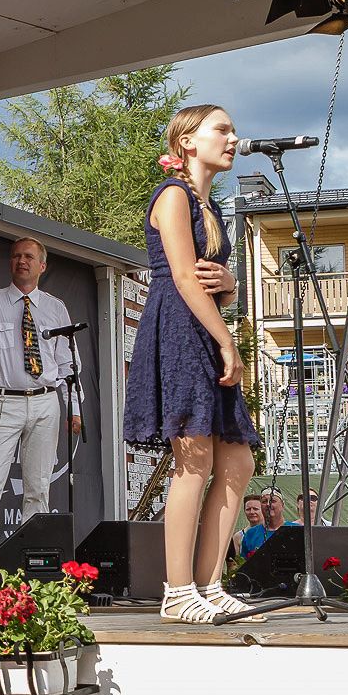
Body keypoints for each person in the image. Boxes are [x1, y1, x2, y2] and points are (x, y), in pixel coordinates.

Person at [123, 105, 261, 624]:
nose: (232, 138)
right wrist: (229, 344)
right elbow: (182, 278)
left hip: (201, 330)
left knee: (238, 460)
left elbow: (210, 284)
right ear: (187, 141)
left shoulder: (210, 207)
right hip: (181, 335)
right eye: (222, 130)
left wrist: (232, 287)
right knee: (193, 458)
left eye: (232, 129)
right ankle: (178, 591)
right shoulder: (174, 196)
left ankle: (209, 582)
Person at [0, 237, 82, 555]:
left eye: (28, 256)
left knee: (38, 488)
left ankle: (34, 563)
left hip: (45, 401)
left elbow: (67, 364)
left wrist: (74, 408)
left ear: (42, 266)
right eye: (15, 256)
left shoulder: (55, 308)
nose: (21, 261)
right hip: (1, 402)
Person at [239, 486, 296, 557]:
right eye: (264, 501)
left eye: (273, 501)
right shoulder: (250, 534)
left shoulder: (296, 530)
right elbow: (243, 562)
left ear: (282, 505)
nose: (268, 504)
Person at [230, 493, 264, 559]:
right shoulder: (238, 536)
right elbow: (234, 564)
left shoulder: (273, 531)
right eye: (248, 509)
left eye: (255, 509)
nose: (251, 512)